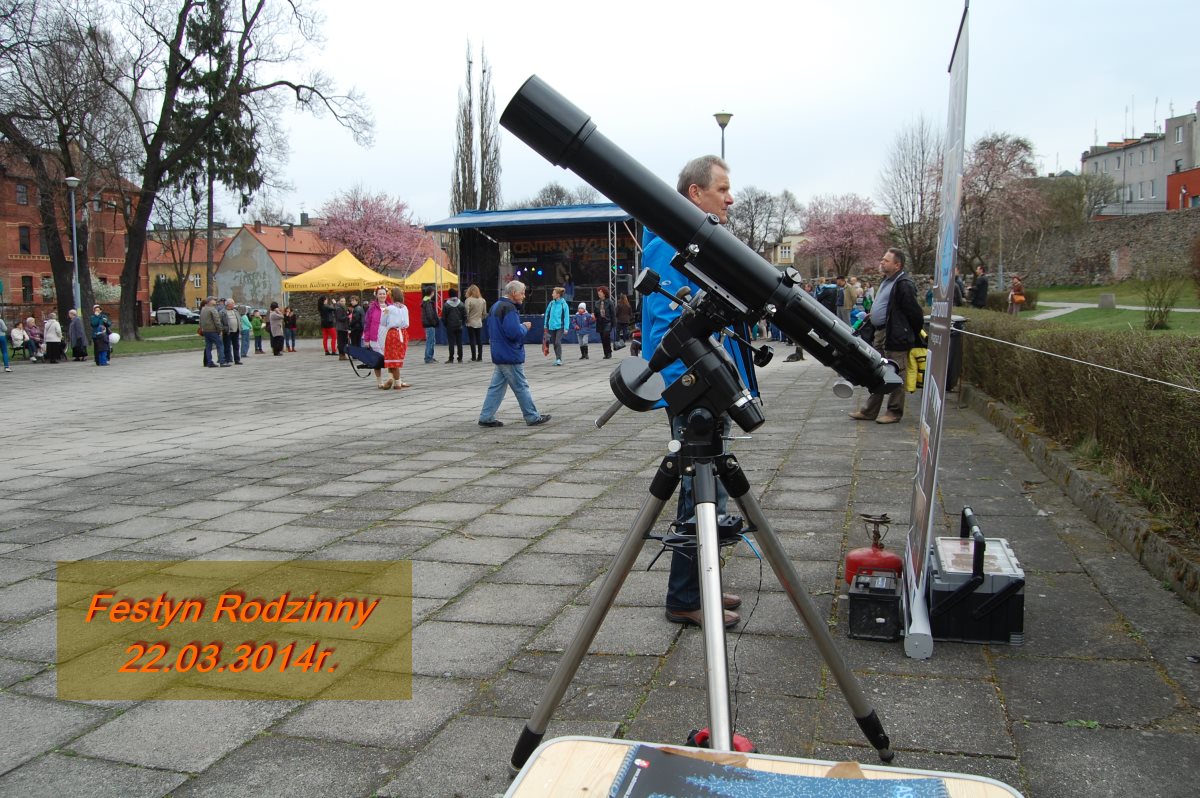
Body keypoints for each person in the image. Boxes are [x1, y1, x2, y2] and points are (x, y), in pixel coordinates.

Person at [641, 154, 757, 629]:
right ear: (695, 193)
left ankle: (701, 584)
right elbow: (674, 324)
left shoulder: (690, 241)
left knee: (712, 497)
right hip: (692, 390)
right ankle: (686, 597)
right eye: (721, 189)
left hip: (705, 386)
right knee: (699, 496)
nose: (730, 198)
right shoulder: (671, 245)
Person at [849, 248, 924, 424]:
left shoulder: (904, 284)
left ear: (897, 265)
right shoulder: (887, 280)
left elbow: (915, 314)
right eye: (882, 259)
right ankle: (870, 411)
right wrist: (873, 314)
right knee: (876, 371)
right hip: (880, 333)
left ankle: (894, 412)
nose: (882, 262)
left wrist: (905, 332)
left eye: (886, 260)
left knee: (896, 372)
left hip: (895, 335)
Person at [477, 280, 550, 428]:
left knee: (496, 388)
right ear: (513, 293)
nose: (524, 296)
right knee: (521, 386)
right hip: (510, 354)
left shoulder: (496, 306)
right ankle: (532, 416)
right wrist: (524, 327)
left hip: (499, 352)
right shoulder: (509, 308)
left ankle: (486, 416)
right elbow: (514, 333)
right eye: (522, 293)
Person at [381, 286, 410, 390]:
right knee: (396, 358)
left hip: (393, 333)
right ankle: (393, 380)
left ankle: (397, 382)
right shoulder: (405, 308)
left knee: (391, 358)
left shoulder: (388, 308)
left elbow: (383, 322)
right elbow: (407, 322)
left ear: (392, 297)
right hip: (403, 333)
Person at [363, 286, 391, 388]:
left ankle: (390, 379)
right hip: (375, 336)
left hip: (388, 335)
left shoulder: (391, 307)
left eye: (384, 294)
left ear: (386, 295)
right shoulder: (372, 308)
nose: (382, 295)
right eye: (380, 294)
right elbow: (367, 324)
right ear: (377, 295)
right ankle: (380, 382)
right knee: (377, 359)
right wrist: (366, 339)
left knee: (389, 358)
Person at [542, 286, 570, 366]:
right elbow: (547, 314)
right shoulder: (551, 303)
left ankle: (559, 359)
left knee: (557, 342)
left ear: (558, 294)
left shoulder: (564, 304)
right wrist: (545, 325)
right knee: (554, 343)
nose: (552, 294)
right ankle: (557, 358)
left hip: (560, 327)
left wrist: (566, 328)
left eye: (553, 293)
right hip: (551, 327)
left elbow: (566, 317)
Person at [440, 288, 466, 363]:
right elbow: (465, 315)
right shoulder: (461, 304)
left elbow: (443, 317)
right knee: (459, 342)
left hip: (450, 326)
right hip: (459, 325)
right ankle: (460, 358)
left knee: (451, 342)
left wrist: (446, 324)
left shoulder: (446, 305)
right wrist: (462, 323)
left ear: (449, 295)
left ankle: (451, 358)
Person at [464, 284, 488, 362]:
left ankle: (473, 357)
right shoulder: (483, 300)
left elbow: (466, 312)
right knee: (479, 339)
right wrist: (481, 318)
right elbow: (484, 313)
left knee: (472, 339)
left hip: (470, 322)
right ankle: (480, 357)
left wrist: (467, 319)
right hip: (479, 322)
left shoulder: (468, 300)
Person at [199, 297, 223, 367]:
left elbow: (200, 321)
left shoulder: (203, 309)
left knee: (208, 347)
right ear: (209, 301)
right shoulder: (212, 309)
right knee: (220, 345)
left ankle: (209, 362)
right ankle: (222, 361)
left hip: (205, 331)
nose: (215, 301)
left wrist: (202, 329)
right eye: (214, 300)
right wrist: (220, 330)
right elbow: (217, 321)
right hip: (213, 330)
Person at [593, 285, 616, 359]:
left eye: (601, 291)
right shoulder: (597, 303)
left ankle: (609, 352)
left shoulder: (610, 302)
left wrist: (614, 325)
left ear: (604, 293)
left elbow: (613, 314)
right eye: (598, 291)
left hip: (607, 322)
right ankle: (606, 353)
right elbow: (595, 313)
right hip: (600, 323)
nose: (599, 293)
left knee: (606, 335)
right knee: (603, 338)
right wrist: (593, 315)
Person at [420, 286, 439, 363]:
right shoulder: (428, 302)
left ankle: (430, 356)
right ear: (432, 293)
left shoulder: (426, 301)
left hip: (428, 323)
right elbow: (430, 314)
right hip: (429, 324)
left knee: (431, 340)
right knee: (430, 341)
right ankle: (428, 357)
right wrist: (434, 322)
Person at [221, 299, 242, 365]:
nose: (234, 304)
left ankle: (237, 360)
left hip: (236, 331)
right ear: (228, 304)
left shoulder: (235, 311)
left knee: (236, 346)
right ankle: (227, 360)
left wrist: (240, 327)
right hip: (228, 332)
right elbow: (220, 322)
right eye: (232, 303)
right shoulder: (222, 312)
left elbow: (239, 319)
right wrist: (224, 329)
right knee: (227, 346)